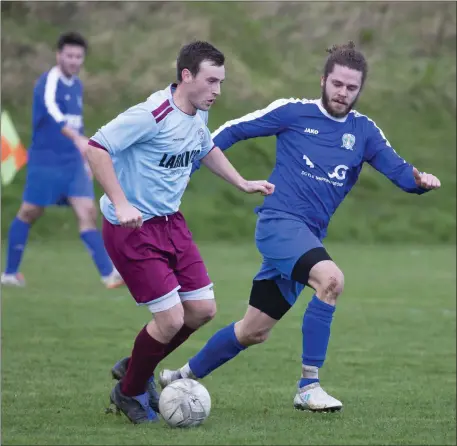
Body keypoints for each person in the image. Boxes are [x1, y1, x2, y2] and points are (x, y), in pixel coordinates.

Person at [158, 41, 442, 413]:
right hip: (279, 224)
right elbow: (232, 130)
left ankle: (176, 377)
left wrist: (419, 182)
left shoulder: (364, 131)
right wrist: (189, 165)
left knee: (253, 331)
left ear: (360, 90)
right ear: (323, 80)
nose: (343, 93)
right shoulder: (293, 112)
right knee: (331, 280)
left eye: (351, 88)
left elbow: (399, 171)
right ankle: (309, 385)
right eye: (337, 84)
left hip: (305, 238)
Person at [85, 40, 275, 424]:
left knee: (203, 310)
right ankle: (128, 392)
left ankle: (136, 366)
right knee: (170, 319)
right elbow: (96, 148)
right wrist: (121, 203)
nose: (217, 91)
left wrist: (240, 182)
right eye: (211, 81)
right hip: (132, 229)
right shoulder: (152, 113)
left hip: (171, 223)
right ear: (186, 76)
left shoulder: (198, 113)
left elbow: (205, 148)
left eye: (221, 82)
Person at [1, 31, 123, 289]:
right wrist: (79, 140)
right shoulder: (49, 82)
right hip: (45, 160)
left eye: (78, 56)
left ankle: (109, 274)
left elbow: (76, 122)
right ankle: (10, 273)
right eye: (69, 55)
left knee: (87, 211)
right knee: (29, 212)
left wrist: (85, 158)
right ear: (58, 55)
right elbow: (52, 111)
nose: (74, 60)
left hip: (71, 164)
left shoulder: (76, 84)